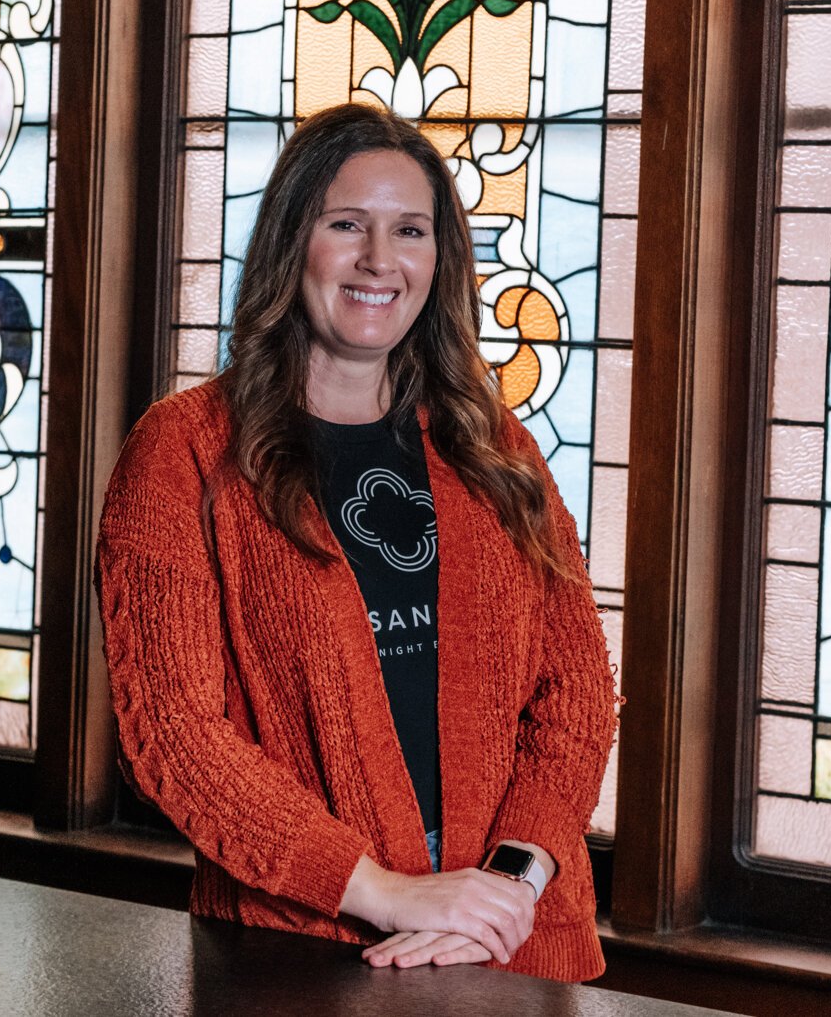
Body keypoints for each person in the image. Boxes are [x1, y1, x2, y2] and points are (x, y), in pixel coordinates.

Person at [96, 102, 618, 981]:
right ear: (293, 241)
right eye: (348, 225)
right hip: (304, 954)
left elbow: (577, 696)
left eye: (410, 230)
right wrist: (386, 892)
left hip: (514, 946)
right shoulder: (182, 452)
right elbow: (175, 733)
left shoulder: (494, 447)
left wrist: (505, 890)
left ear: (439, 258)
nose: (381, 261)